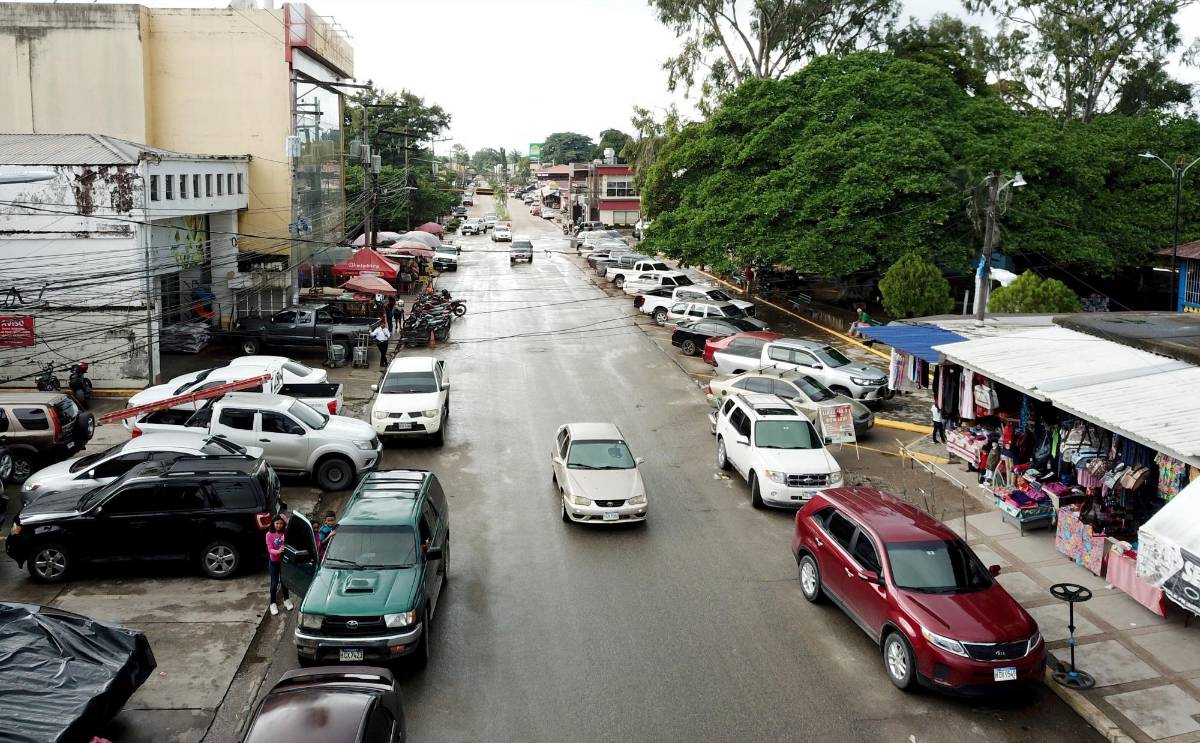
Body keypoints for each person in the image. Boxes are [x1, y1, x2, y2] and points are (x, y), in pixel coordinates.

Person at [265, 515, 293, 616]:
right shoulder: (269, 534)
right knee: (274, 583)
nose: (279, 525)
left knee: (284, 581)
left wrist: (286, 519)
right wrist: (278, 551)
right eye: (277, 523)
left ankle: (286, 600)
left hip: (284, 561)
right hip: (274, 562)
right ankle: (272, 603)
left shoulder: (285, 532)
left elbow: (292, 526)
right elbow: (270, 550)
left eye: (281, 523)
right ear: (273, 523)